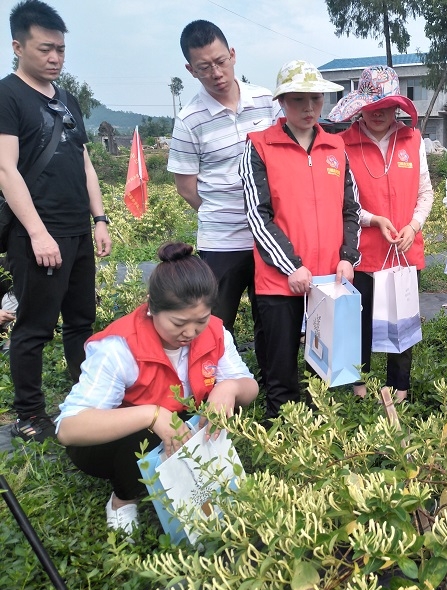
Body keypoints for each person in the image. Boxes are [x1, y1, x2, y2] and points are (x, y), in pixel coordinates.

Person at [55, 242, 258, 534]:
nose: (190, 333)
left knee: (226, 401)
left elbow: (249, 388)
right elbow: (69, 429)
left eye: (200, 321)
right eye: (178, 323)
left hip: (181, 423)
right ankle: (123, 499)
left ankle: (193, 476)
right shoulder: (120, 347)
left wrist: (229, 387)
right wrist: (151, 414)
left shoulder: (215, 332)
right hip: (116, 442)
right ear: (151, 307)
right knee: (142, 428)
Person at [0, 0, 112, 443]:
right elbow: (6, 170)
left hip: (78, 231)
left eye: (61, 50)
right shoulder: (7, 96)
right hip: (38, 235)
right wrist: (38, 233)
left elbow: (84, 161)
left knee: (82, 321)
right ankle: (30, 414)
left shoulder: (66, 100)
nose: (55, 58)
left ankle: (86, 396)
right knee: (33, 327)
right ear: (18, 46)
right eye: (46, 49)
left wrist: (99, 219)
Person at [240, 60, 360, 417]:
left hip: (328, 280)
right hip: (281, 281)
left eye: (316, 100)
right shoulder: (259, 146)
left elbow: (350, 209)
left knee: (324, 365)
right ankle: (282, 432)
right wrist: (291, 266)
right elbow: (257, 214)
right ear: (282, 103)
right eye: (298, 100)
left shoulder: (336, 148)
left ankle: (318, 433)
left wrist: (347, 258)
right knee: (281, 367)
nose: (309, 109)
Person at [168, 20, 275, 387]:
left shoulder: (265, 101)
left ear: (232, 55)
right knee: (213, 323)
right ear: (190, 70)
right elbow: (186, 187)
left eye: (219, 61)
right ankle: (205, 392)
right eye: (203, 67)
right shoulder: (188, 120)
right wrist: (222, 212)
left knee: (272, 319)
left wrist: (264, 218)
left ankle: (272, 388)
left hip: (270, 241)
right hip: (221, 242)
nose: (215, 73)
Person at [328, 65, 432, 402]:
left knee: (402, 321)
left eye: (386, 107)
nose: (379, 114)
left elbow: (425, 193)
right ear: (360, 108)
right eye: (372, 108)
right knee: (361, 321)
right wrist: (373, 219)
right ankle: (360, 385)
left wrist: (414, 225)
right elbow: (339, 201)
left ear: (397, 107)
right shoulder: (343, 144)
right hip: (362, 251)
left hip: (404, 251)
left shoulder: (412, 140)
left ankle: (399, 387)